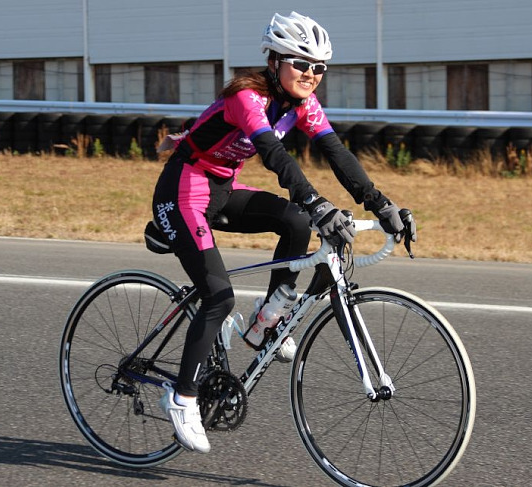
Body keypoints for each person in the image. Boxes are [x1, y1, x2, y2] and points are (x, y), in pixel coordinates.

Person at [151, 11, 417, 454]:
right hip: (182, 191)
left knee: (295, 221)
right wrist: (318, 203)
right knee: (219, 295)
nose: (311, 75)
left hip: (221, 188)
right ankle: (182, 398)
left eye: (319, 68)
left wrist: (382, 203)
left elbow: (336, 152)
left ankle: (265, 321)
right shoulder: (247, 96)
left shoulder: (301, 104)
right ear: (274, 61)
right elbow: (274, 155)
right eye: (301, 64)